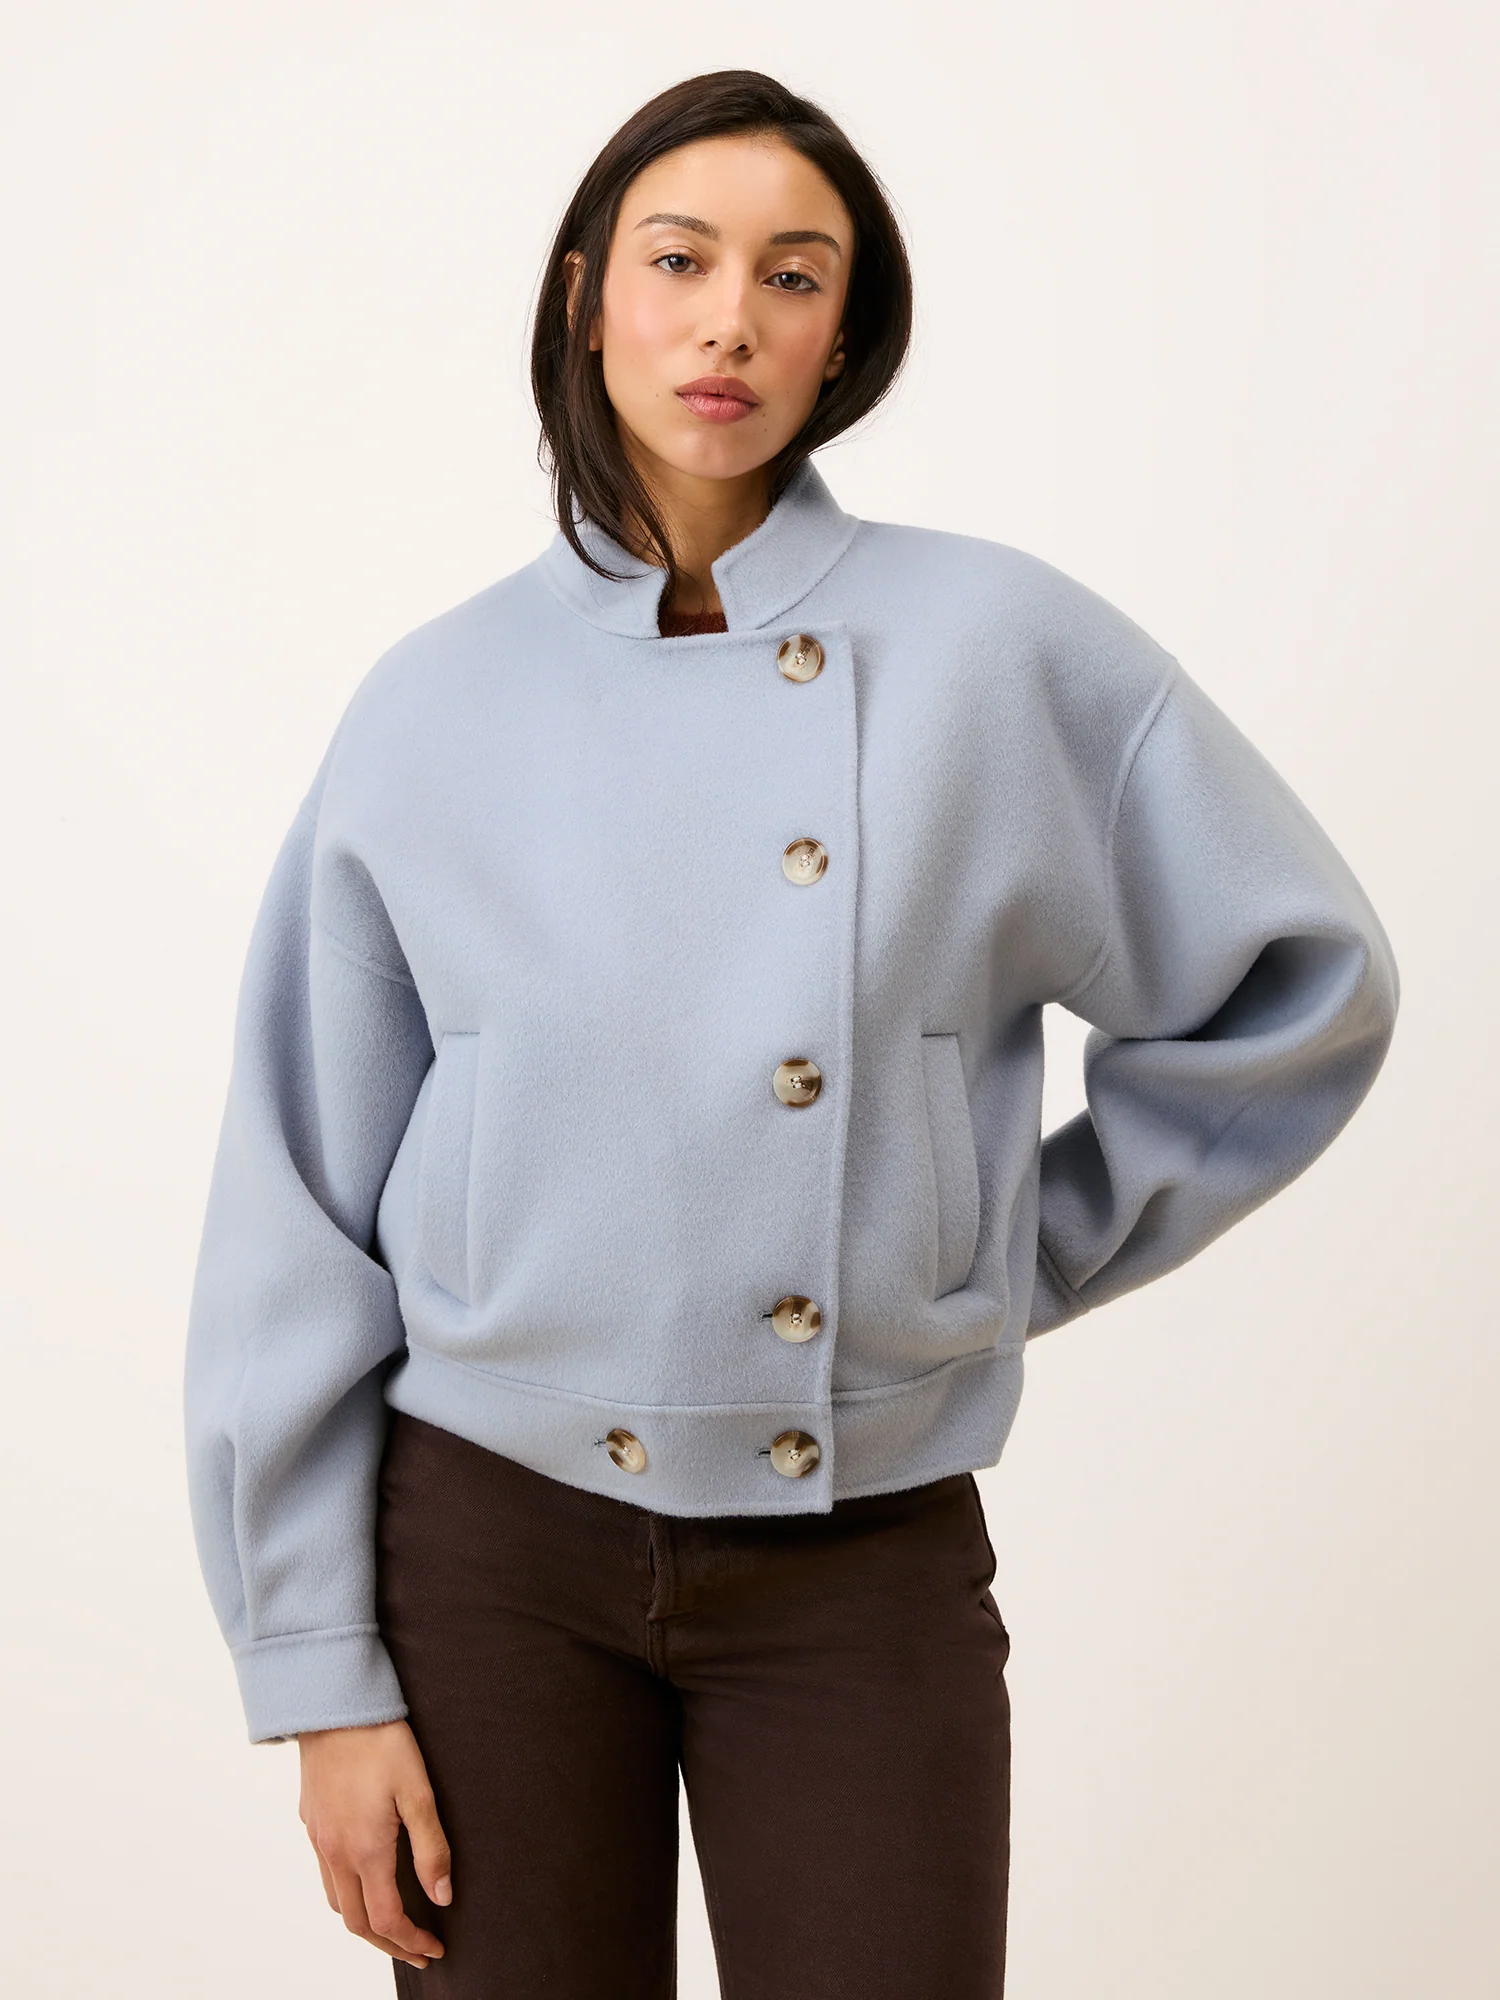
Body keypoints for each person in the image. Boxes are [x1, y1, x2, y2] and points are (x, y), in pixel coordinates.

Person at [182, 68, 1400, 1999]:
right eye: (680, 260)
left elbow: (1302, 983)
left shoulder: (998, 647)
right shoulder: (432, 702)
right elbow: (297, 1198)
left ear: (847, 335)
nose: (730, 319)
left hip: (861, 1546)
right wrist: (318, 1670)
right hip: (487, 1548)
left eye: (794, 274)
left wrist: (988, 1258)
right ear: (590, 296)